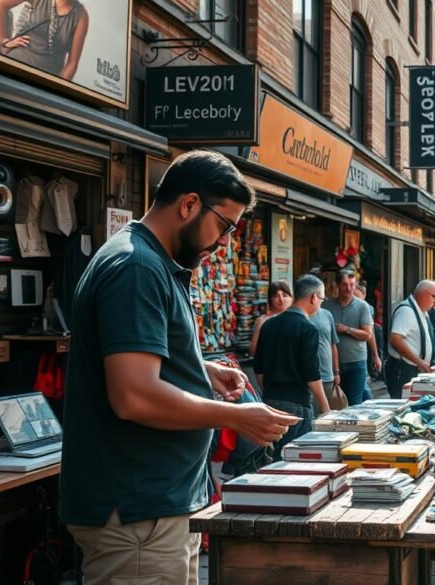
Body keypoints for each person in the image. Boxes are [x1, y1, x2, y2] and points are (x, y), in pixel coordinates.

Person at [61, 150, 299, 585]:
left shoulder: (151, 263)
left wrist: (201, 369)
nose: (226, 242)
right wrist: (236, 415)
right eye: (224, 226)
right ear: (189, 204)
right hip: (139, 515)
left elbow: (135, 357)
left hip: (156, 510)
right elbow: (133, 395)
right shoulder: (136, 267)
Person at [255, 274, 332, 453]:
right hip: (296, 403)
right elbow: (311, 373)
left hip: (270, 400)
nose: (320, 304)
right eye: (321, 299)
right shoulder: (308, 328)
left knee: (274, 456)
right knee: (294, 459)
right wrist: (325, 407)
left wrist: (270, 392)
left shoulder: (268, 325)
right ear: (314, 298)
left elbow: (259, 369)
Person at [323, 270, 382, 405]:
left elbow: (367, 334)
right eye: (344, 284)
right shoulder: (327, 306)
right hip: (332, 364)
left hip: (356, 361)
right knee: (337, 403)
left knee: (355, 403)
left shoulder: (362, 306)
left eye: (352, 284)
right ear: (337, 285)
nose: (349, 288)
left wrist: (346, 329)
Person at [0, 0, 90, 80]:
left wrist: (58, 90)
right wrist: (4, 41)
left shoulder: (81, 16)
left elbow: (72, 64)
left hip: (44, 81)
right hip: (16, 64)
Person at [386, 280, 435, 398]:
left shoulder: (421, 311)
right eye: (434, 296)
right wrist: (419, 361)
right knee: (403, 407)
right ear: (424, 294)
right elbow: (395, 338)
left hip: (412, 369)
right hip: (402, 370)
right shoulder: (406, 311)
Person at [308, 289, 341, 411]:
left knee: (326, 416)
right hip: (308, 377)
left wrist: (336, 372)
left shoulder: (327, 315)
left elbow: (333, 344)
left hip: (327, 375)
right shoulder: (301, 317)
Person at [249, 280, 292, 357]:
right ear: (270, 299)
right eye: (276, 296)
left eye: (285, 295)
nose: (281, 299)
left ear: (292, 298)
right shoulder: (263, 321)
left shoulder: (298, 319)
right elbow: (253, 351)